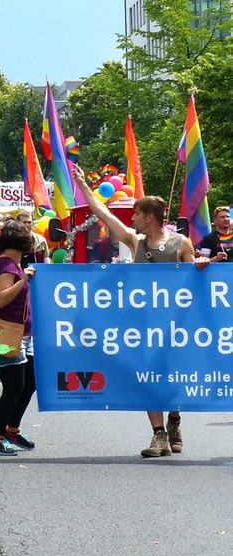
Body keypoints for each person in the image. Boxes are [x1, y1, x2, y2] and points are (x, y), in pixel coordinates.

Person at [74, 166, 198, 458]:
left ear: (150, 217)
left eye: (137, 215)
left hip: (176, 326)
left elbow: (196, 286)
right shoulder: (135, 241)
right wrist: (83, 185)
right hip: (142, 324)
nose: (132, 219)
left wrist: (202, 267)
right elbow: (104, 214)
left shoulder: (182, 245)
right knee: (147, 375)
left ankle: (175, 418)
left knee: (173, 376)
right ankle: (159, 436)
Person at [0, 219, 37, 456]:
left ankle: (12, 429)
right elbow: (2, 298)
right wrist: (24, 280)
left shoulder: (10, 264)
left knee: (29, 384)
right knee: (13, 388)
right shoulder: (7, 266)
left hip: (21, 334)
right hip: (8, 334)